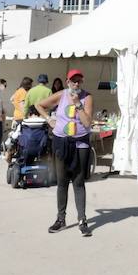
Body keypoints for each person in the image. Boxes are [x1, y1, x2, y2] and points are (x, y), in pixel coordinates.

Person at [38, 69, 93, 237]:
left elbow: (87, 123)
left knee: (78, 182)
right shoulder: (61, 95)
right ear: (67, 81)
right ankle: (61, 219)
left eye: (79, 81)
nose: (76, 84)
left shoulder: (87, 97)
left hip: (80, 144)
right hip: (61, 142)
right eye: (73, 80)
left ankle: (82, 220)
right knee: (62, 182)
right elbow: (39, 105)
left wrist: (78, 105)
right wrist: (49, 119)